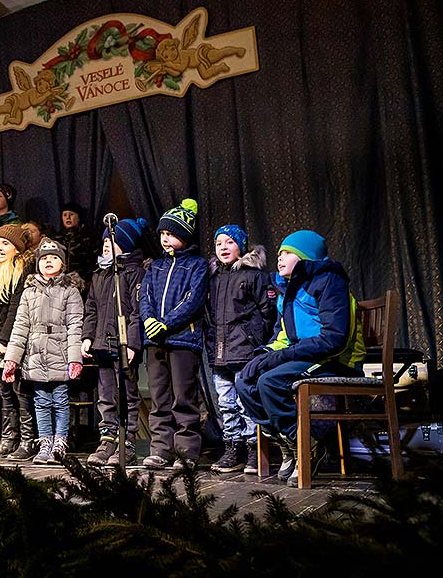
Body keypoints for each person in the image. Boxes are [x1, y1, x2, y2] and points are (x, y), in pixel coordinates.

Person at [235, 230, 365, 486]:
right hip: (307, 354)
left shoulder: (329, 281)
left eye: (288, 253)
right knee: (244, 381)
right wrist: (264, 355)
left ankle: (305, 445)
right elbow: (284, 335)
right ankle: (288, 442)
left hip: (335, 358)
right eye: (279, 253)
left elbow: (334, 338)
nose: (280, 258)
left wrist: (280, 358)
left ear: (306, 257)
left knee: (270, 382)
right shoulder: (288, 290)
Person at [139, 199, 208, 470]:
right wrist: (149, 320)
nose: (165, 239)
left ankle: (186, 451)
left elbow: (193, 300)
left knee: (183, 397)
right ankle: (161, 449)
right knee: (159, 397)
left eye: (171, 234)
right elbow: (145, 296)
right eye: (163, 234)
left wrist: (166, 322)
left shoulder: (197, 265)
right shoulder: (155, 267)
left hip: (183, 339)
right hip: (155, 341)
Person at [4, 238, 84, 464]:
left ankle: (60, 441)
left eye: (54, 258)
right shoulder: (29, 292)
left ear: (63, 263)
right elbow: (20, 327)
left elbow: (75, 326)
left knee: (59, 399)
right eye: (44, 258)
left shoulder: (70, 291)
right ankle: (45, 442)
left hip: (60, 351)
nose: (48, 262)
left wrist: (74, 359)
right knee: (40, 401)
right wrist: (12, 359)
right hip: (36, 354)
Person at [204, 225, 276, 473]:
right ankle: (233, 448)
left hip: (245, 351)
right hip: (220, 353)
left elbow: (268, 312)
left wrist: (255, 339)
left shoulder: (254, 276)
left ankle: (254, 448)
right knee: (226, 402)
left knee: (246, 402)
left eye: (229, 242)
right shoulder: (214, 278)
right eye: (218, 243)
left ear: (242, 246)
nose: (223, 247)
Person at [83, 218, 150, 467]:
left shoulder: (134, 273)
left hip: (123, 346)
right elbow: (91, 309)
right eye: (104, 242)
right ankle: (108, 439)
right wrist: (87, 337)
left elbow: (137, 312)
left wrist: (132, 343)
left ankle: (127, 441)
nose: (106, 246)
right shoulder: (99, 274)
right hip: (102, 344)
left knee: (128, 395)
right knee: (106, 396)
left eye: (112, 241)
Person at [0, 224, 37, 460]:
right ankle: (8, 439)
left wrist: (5, 340)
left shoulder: (21, 273)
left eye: (5, 243)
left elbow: (15, 311)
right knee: (4, 395)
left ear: (16, 248)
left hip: (11, 345)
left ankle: (27, 440)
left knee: (20, 393)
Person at [55, 202, 96, 283]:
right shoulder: (57, 238)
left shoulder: (87, 237)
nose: (68, 217)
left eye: (71, 214)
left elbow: (93, 261)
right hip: (60, 283)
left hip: (82, 282)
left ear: (79, 217)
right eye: (65, 215)